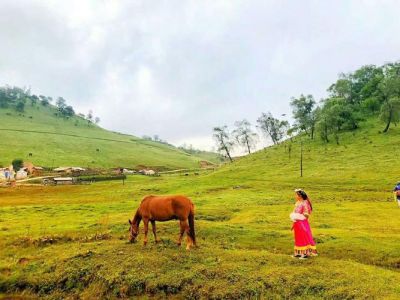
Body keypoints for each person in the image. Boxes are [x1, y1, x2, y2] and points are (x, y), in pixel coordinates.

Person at [290, 189, 317, 259]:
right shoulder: (298, 202)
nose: (295, 196)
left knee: (303, 237)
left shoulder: (304, 203)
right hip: (297, 222)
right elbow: (295, 212)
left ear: (300, 196)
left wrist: (299, 217)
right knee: (298, 237)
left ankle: (305, 254)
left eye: (296, 195)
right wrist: (293, 221)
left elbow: (306, 214)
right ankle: (298, 253)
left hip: (302, 222)